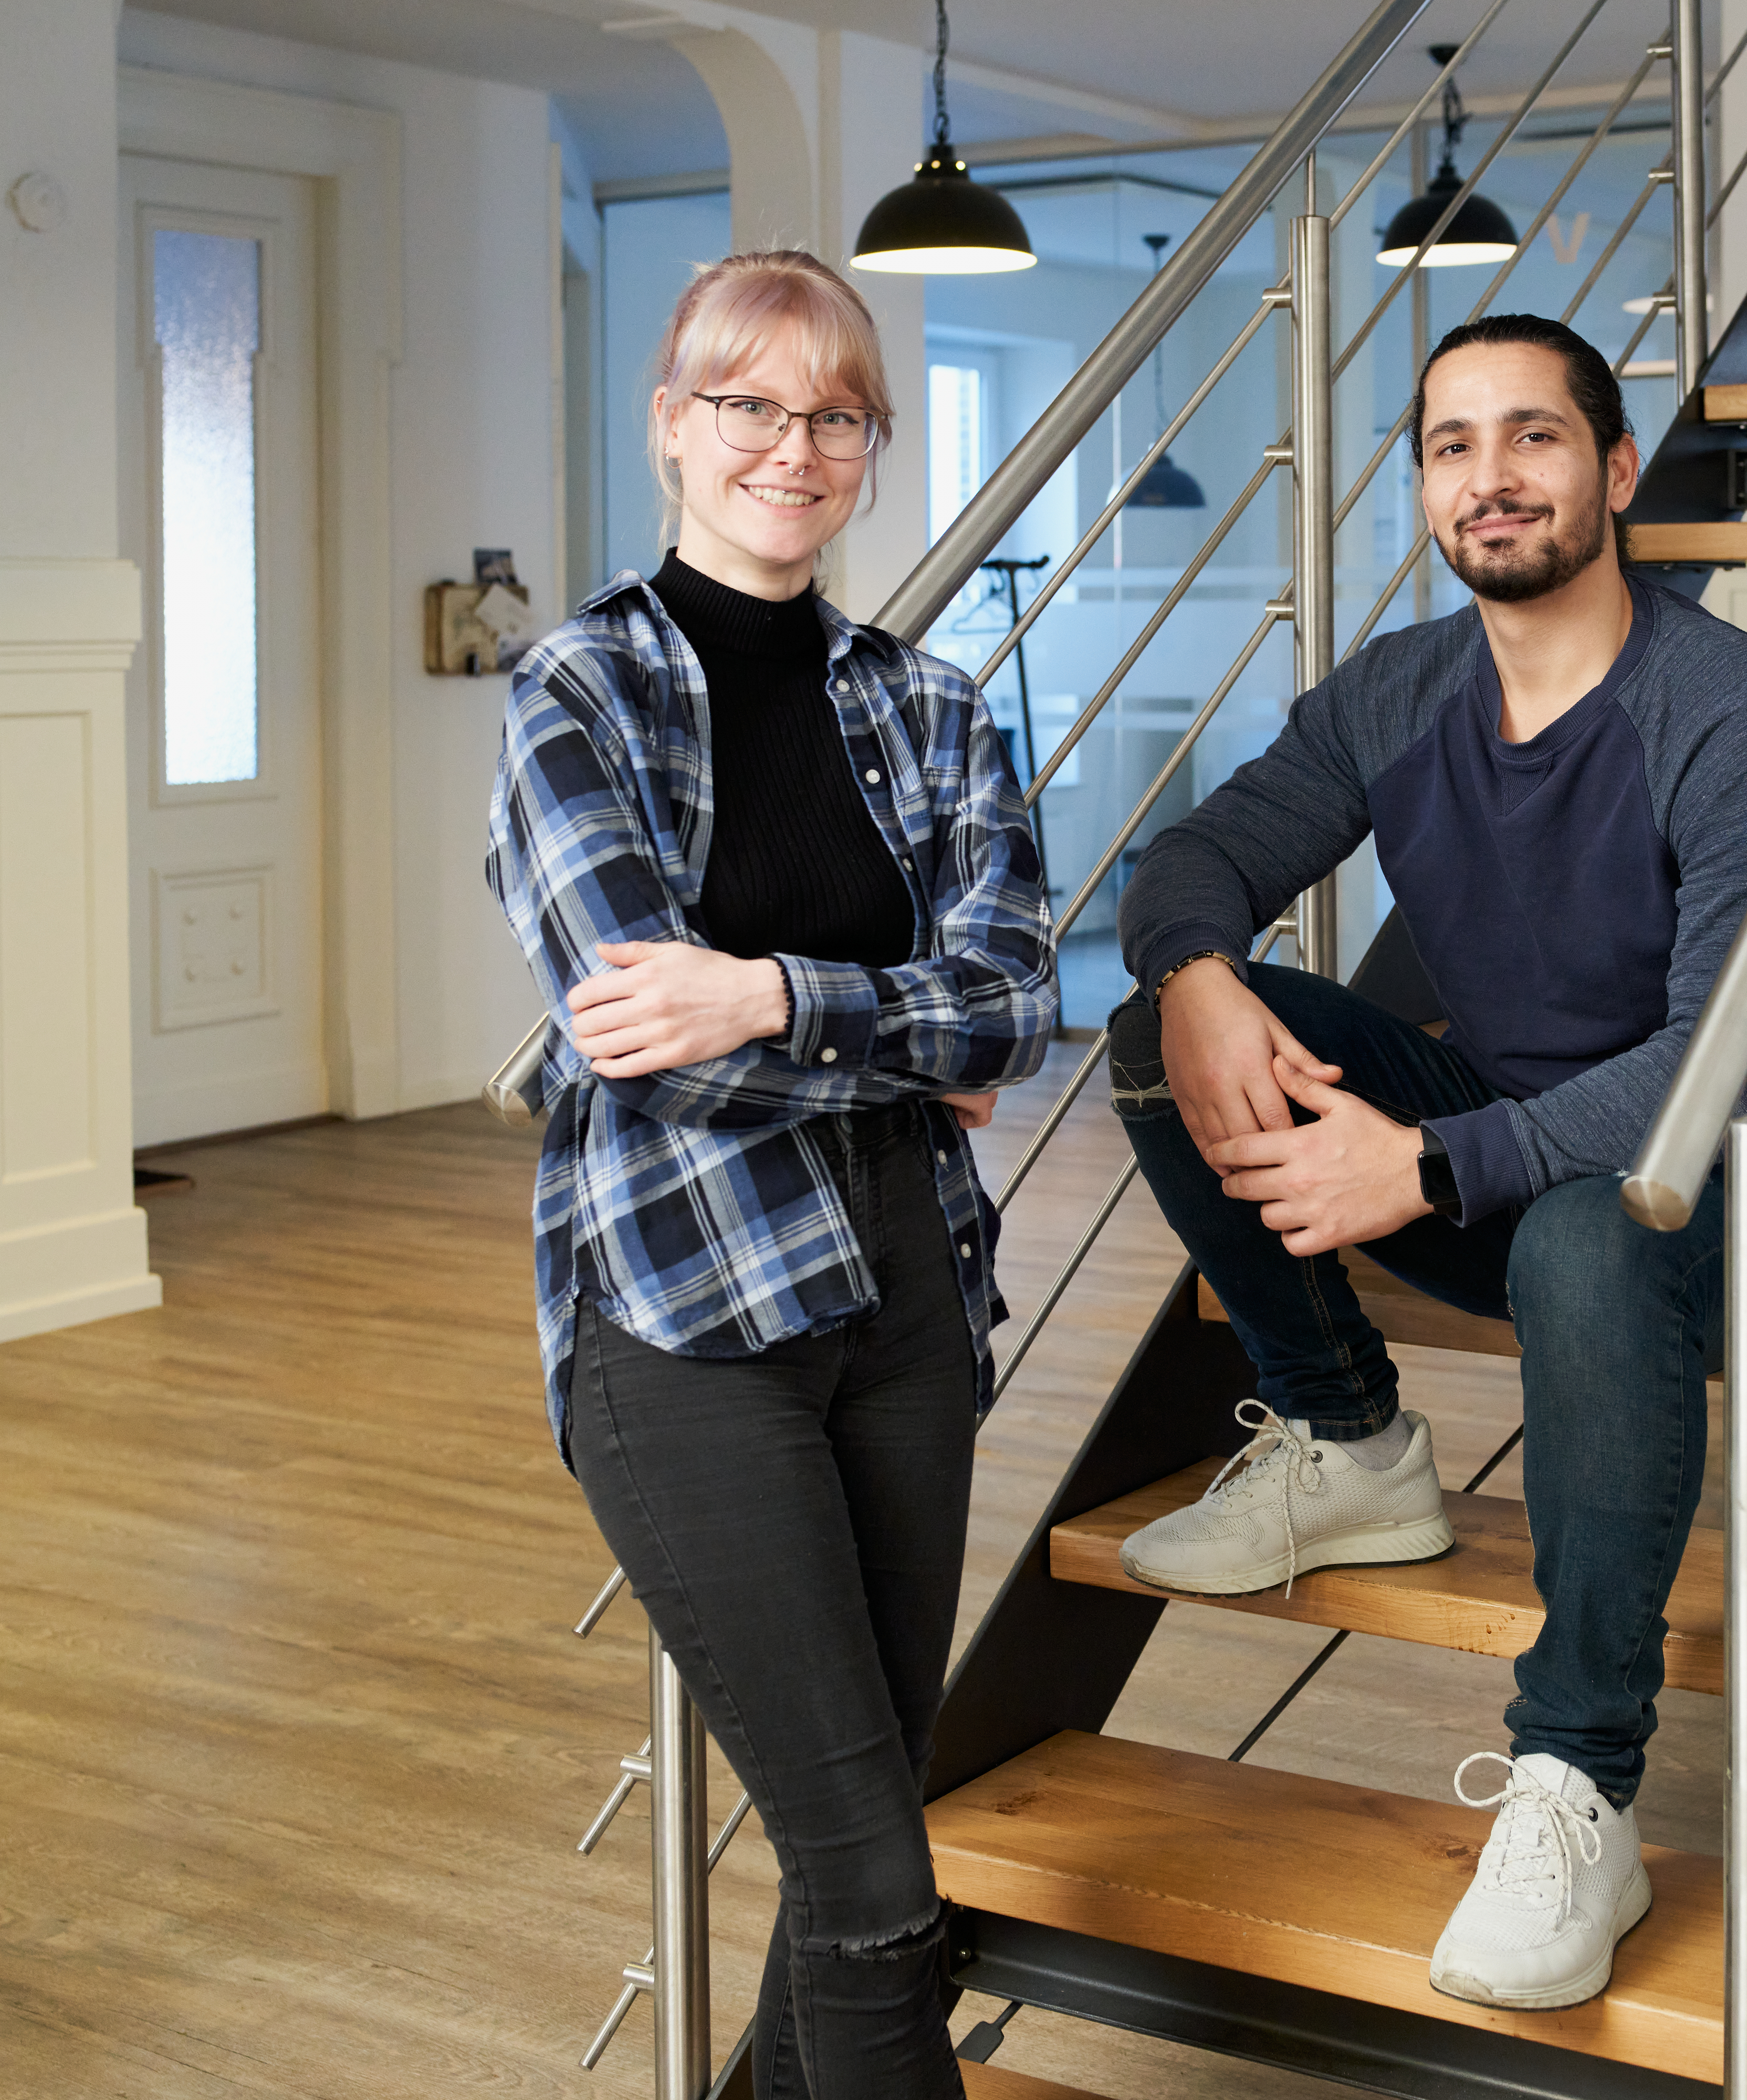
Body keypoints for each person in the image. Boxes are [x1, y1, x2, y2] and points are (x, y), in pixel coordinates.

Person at [1106, 312, 1747, 2013]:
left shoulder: (1735, 712)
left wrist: (1431, 1169)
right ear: (1427, 488)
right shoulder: (1401, 691)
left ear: (1615, 470)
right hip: (1491, 1168)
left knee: (1593, 1232)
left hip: (1709, 1195)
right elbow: (1200, 853)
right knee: (1168, 1032)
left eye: (1533, 437)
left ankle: (1579, 1777)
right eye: (1453, 444)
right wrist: (1200, 975)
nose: (1491, 476)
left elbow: (1731, 1059)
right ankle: (1353, 1443)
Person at [487, 249, 1054, 2098]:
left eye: (835, 417)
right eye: (749, 405)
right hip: (680, 1308)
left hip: (911, 1303)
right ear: (674, 426)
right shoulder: (577, 688)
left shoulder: (935, 707)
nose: (791, 449)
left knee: (857, 1844)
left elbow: (1012, 1020)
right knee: (881, 1885)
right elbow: (640, 1055)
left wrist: (759, 997)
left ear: (871, 450)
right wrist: (881, 1032)